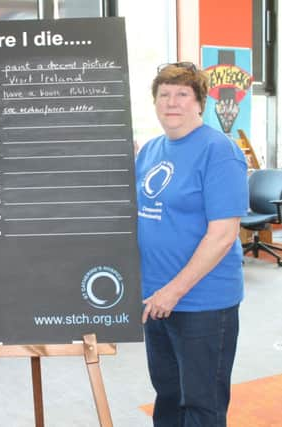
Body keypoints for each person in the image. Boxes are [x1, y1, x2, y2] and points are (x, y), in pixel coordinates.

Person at [135, 62, 249, 426]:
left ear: (199, 102)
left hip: (201, 302)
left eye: (183, 94)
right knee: (168, 396)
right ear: (154, 102)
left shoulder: (219, 151)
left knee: (201, 404)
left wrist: (174, 291)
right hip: (155, 299)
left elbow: (223, 234)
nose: (172, 102)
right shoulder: (150, 150)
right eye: (164, 94)